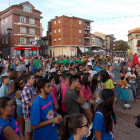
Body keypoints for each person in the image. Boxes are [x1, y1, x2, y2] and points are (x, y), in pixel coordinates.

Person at [21, 73, 37, 140]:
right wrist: (35, 101)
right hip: (28, 113)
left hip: (33, 112)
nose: (34, 79)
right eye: (32, 78)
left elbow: (36, 98)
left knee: (32, 130)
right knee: (28, 131)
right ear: (28, 80)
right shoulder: (25, 90)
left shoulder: (32, 87)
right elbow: (30, 103)